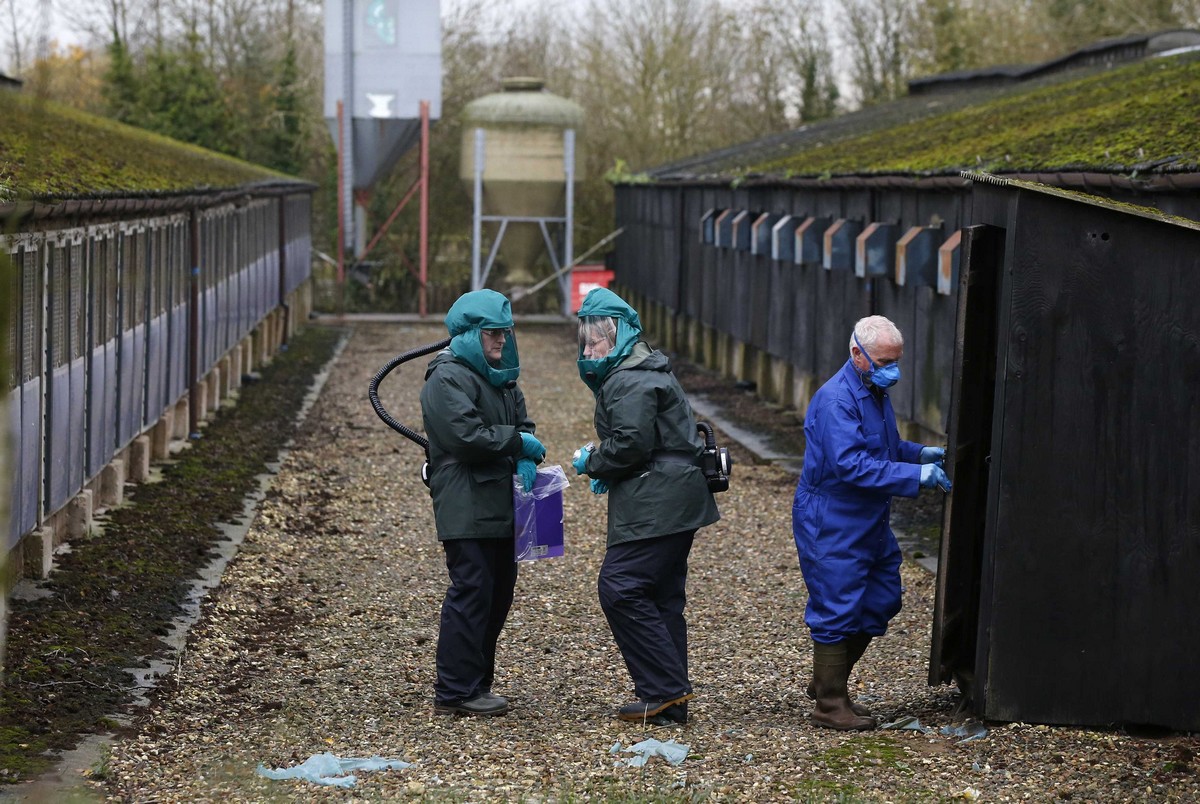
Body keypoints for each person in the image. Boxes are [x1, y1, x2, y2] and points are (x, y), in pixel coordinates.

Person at [792, 315, 951, 731]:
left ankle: (828, 680)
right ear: (857, 354)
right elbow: (851, 465)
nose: (892, 370)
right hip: (833, 516)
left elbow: (884, 446)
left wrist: (918, 454)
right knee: (837, 605)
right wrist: (915, 476)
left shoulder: (872, 390)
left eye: (896, 361)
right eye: (884, 362)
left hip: (868, 515)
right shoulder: (836, 400)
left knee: (882, 596)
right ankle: (829, 703)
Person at [571, 288, 720, 726]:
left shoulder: (629, 377)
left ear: (618, 335)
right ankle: (670, 701)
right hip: (677, 494)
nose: (589, 351)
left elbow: (631, 444)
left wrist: (593, 461)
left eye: (596, 341)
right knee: (661, 595)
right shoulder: (644, 368)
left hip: (658, 497)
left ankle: (665, 690)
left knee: (620, 586)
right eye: (585, 343)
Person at [419, 289, 545, 716]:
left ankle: (477, 683)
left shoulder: (501, 377)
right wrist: (518, 443)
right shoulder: (447, 377)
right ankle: (455, 690)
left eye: (505, 332)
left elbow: (522, 423)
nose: (501, 340)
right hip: (467, 502)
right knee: (472, 591)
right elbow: (466, 437)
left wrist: (524, 450)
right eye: (493, 333)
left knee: (497, 594)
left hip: (502, 501)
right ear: (471, 334)